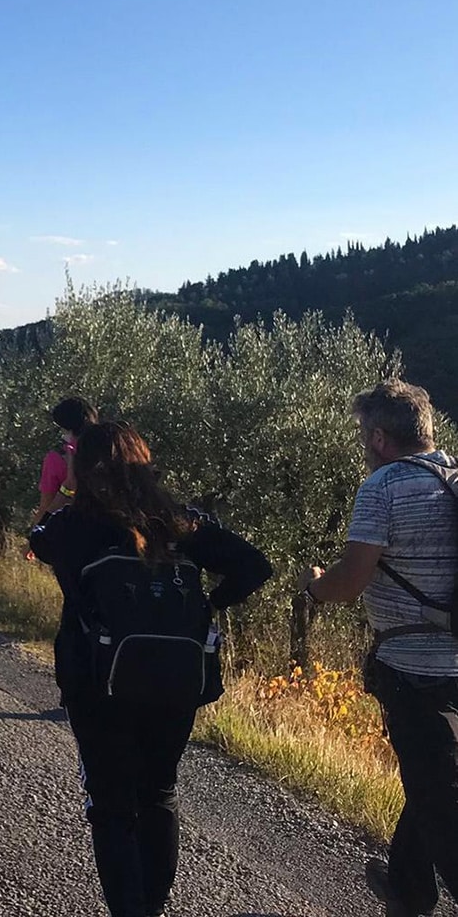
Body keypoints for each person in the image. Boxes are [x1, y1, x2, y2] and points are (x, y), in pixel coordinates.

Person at [30, 421, 271, 917]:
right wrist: (208, 605)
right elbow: (255, 565)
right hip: (176, 680)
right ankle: (152, 907)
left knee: (112, 804)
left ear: (86, 467)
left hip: (96, 680)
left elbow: (41, 543)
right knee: (159, 792)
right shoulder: (182, 522)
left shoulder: (74, 526)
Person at [299, 380, 458, 917]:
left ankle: (413, 891)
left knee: (440, 799)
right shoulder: (454, 476)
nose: (362, 445)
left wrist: (315, 583)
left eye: (363, 435)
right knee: (432, 778)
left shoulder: (383, 487)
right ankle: (408, 891)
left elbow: (350, 582)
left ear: (381, 437)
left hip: (413, 672)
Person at [33, 396, 97, 524]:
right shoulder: (106, 452)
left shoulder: (56, 459)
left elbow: (46, 506)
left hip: (70, 531)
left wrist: (36, 528)